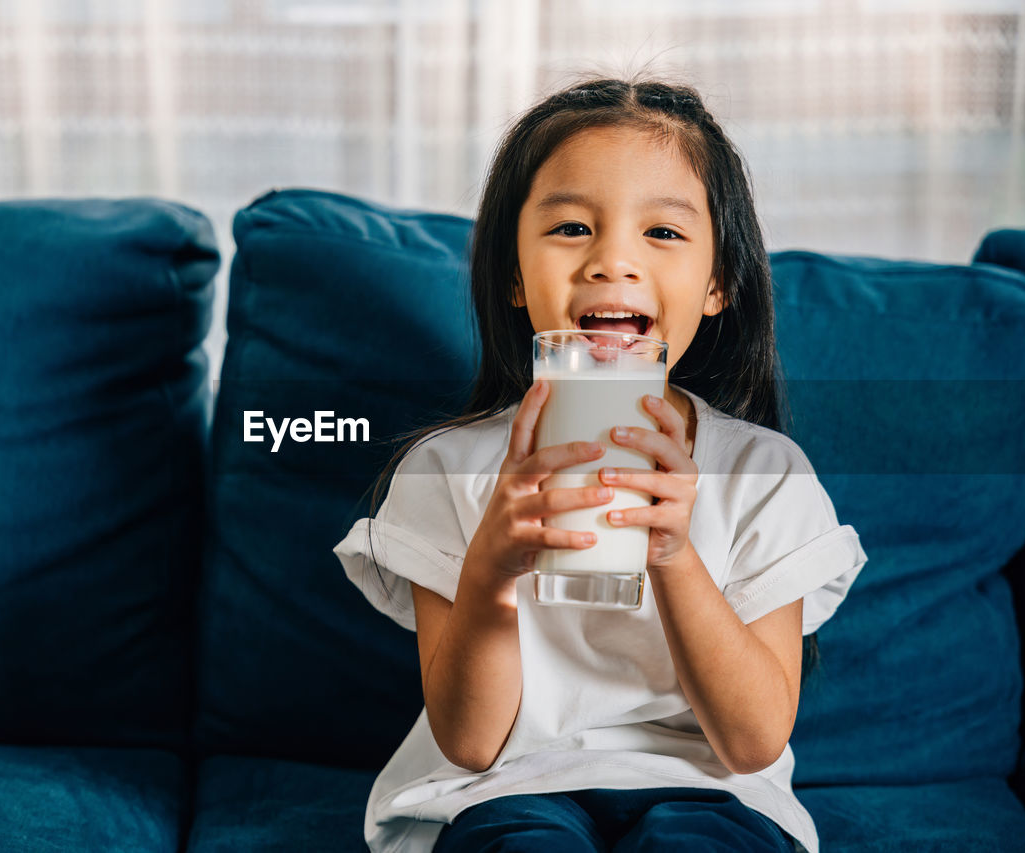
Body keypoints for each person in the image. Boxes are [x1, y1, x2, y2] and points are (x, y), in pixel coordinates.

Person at [333, 76, 867, 853]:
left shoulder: (763, 473)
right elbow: (472, 742)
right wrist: (488, 570)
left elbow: (751, 741)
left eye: (664, 233)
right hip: (507, 786)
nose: (612, 261)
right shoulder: (445, 470)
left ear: (718, 284)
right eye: (573, 227)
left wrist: (676, 553)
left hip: (710, 791)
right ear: (513, 275)